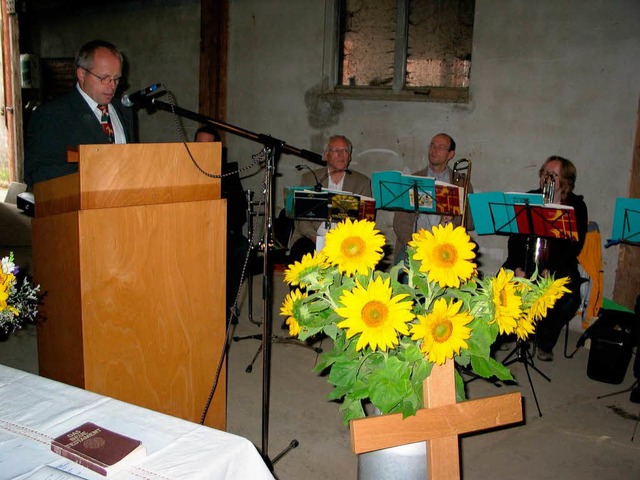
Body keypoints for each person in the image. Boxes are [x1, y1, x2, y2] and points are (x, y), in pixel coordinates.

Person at [503, 155, 588, 361]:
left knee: (570, 298)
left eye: (552, 175)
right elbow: (514, 239)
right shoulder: (529, 199)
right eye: (543, 173)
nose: (545, 178)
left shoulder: (576, 206)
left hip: (558, 264)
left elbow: (575, 246)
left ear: (566, 181)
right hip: (525, 260)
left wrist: (551, 268)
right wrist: (516, 267)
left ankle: (544, 340)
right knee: (502, 285)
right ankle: (511, 332)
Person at [25, 40, 136, 187]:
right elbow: (36, 173)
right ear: (82, 74)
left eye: (116, 79)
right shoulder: (52, 115)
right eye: (105, 78)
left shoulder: (123, 110)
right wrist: (92, 171)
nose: (112, 86)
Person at [288, 135, 372, 262]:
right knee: (302, 255)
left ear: (350, 156)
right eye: (336, 151)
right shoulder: (309, 178)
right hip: (311, 237)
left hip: (346, 240)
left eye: (345, 151)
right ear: (326, 155)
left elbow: (366, 221)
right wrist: (316, 239)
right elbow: (301, 219)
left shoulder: (362, 182)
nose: (341, 155)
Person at [392, 133, 474, 263]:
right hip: (414, 246)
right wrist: (413, 244)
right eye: (432, 145)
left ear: (450, 154)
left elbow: (470, 222)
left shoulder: (461, 183)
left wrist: (454, 216)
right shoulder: (412, 180)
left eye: (441, 147)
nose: (434, 150)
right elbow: (399, 221)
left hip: (448, 248)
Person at [194, 126, 249, 318]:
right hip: (190, 232)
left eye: (208, 146)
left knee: (241, 246)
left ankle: (225, 305)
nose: (203, 150)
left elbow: (240, 212)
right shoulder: (184, 168)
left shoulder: (228, 172)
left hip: (220, 231)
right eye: (199, 145)